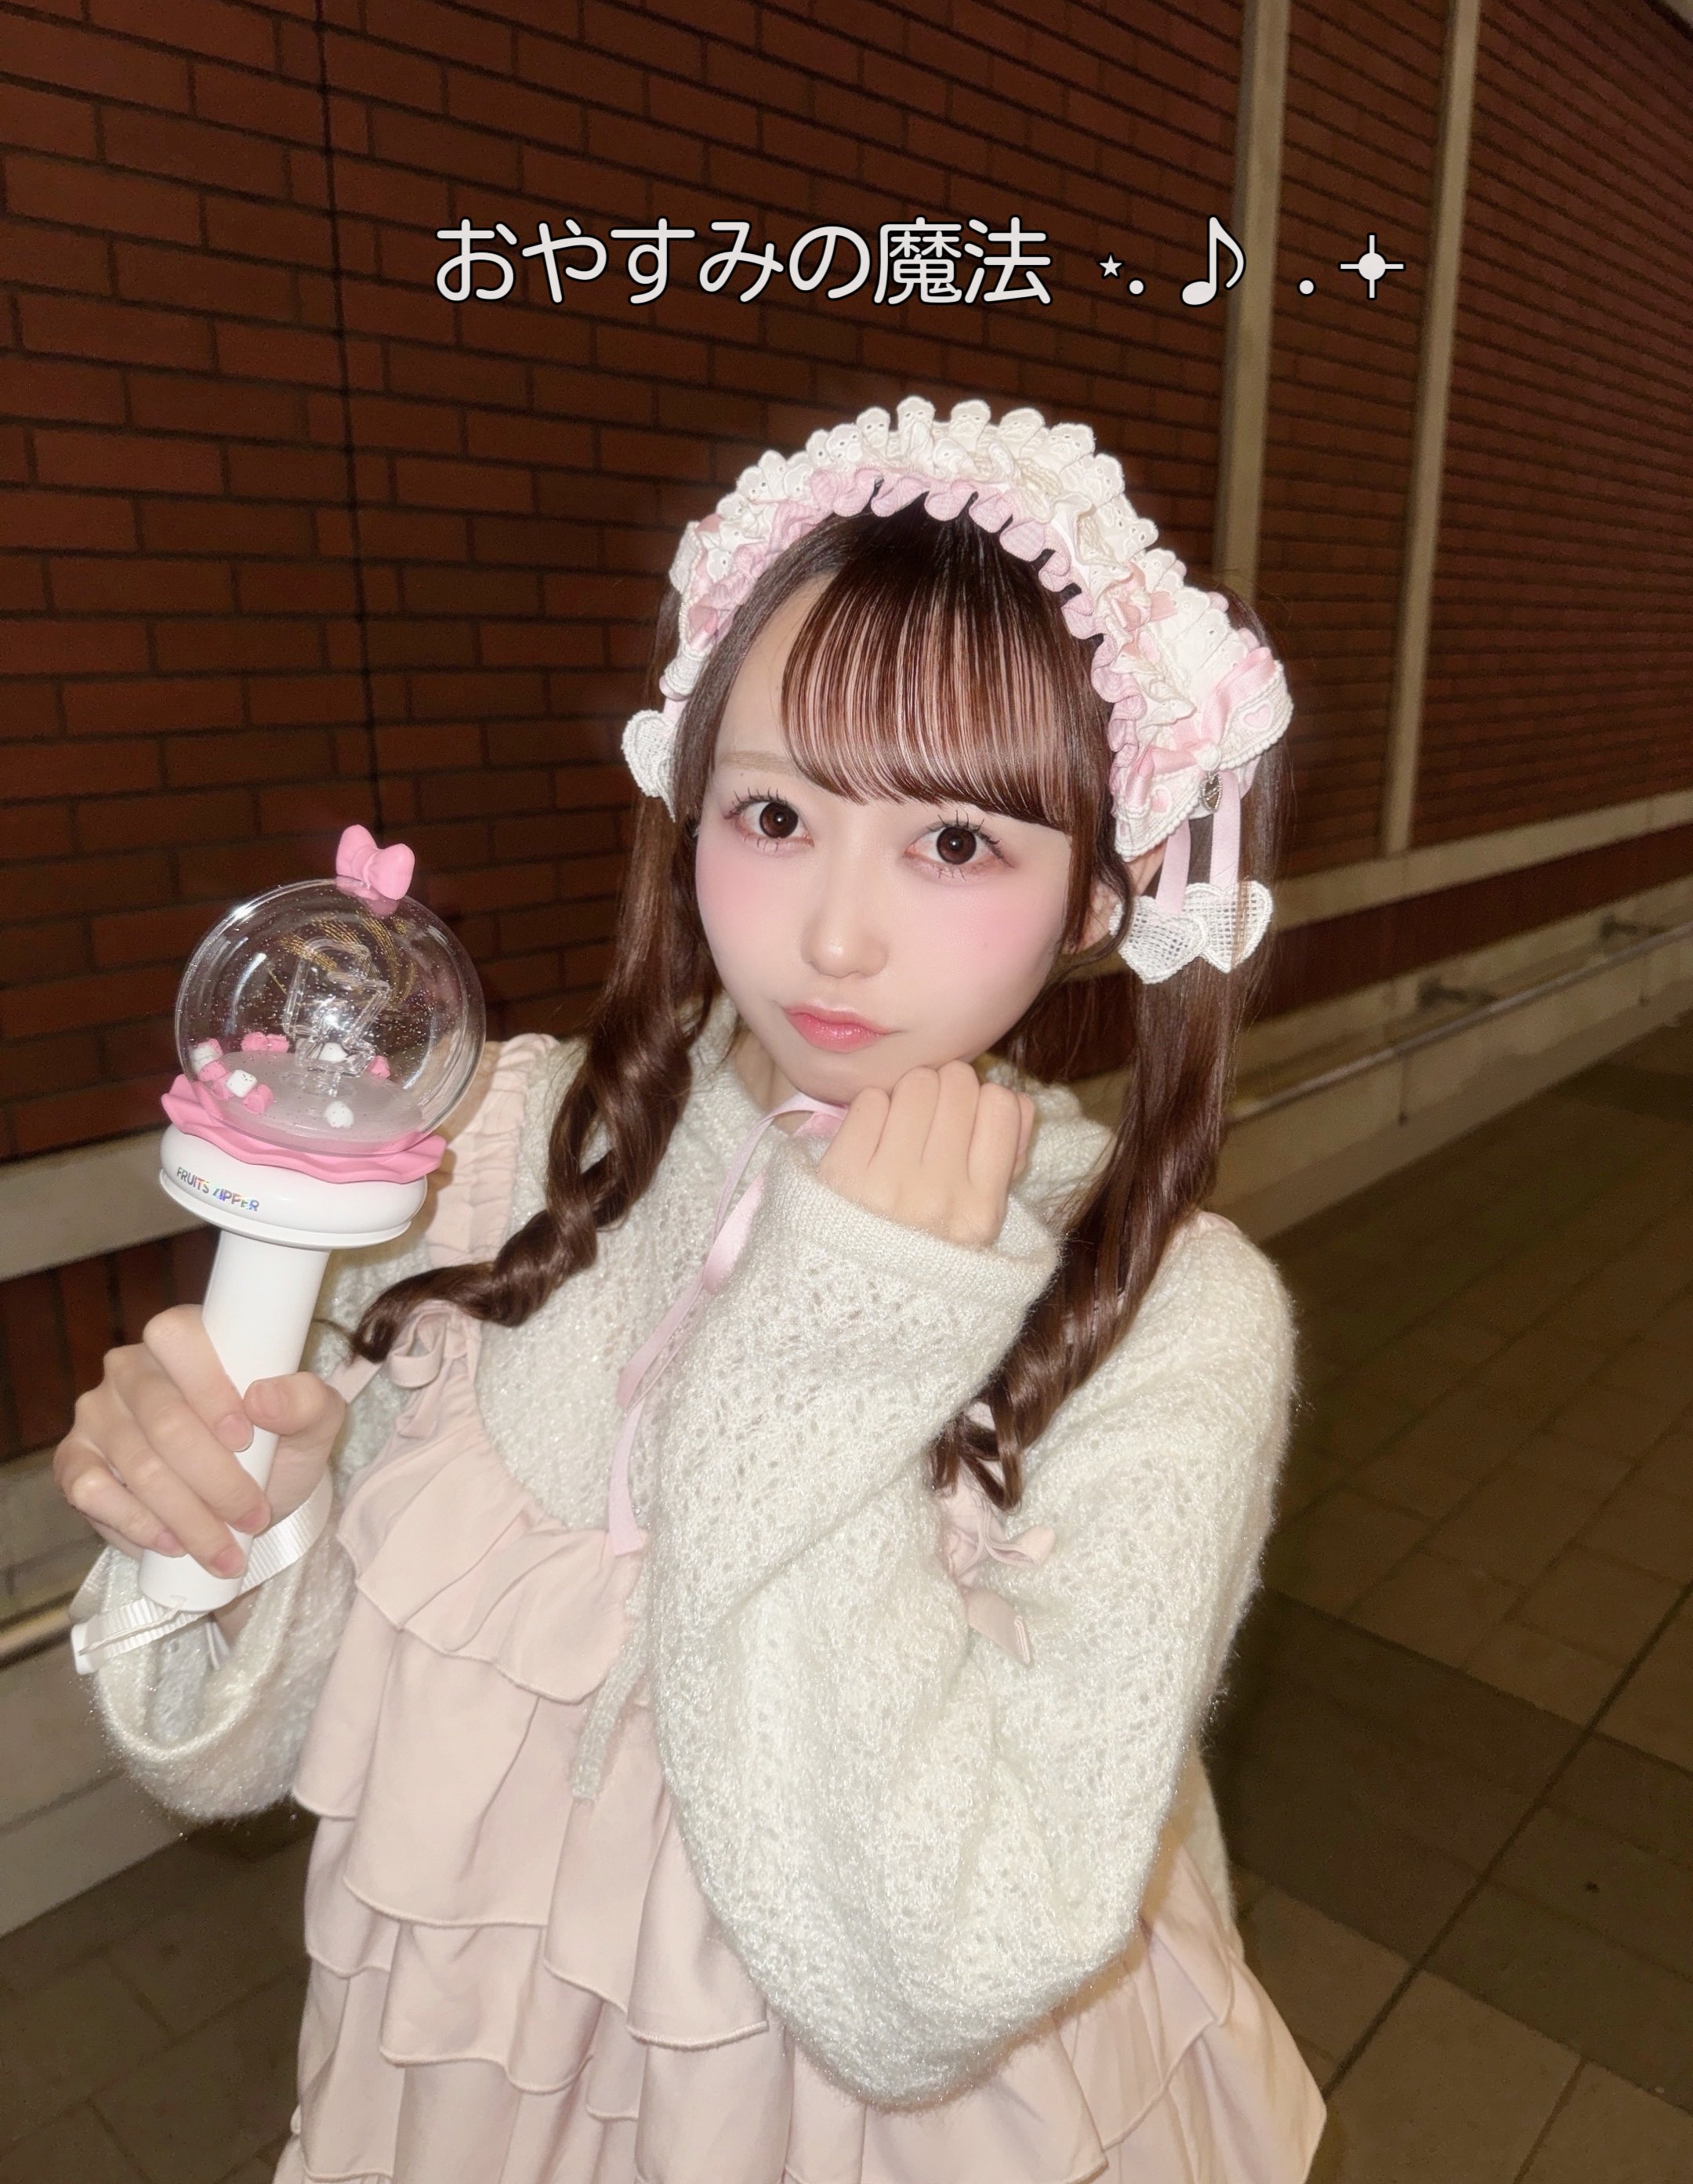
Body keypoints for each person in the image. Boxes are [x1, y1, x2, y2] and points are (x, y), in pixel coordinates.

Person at [58, 397, 1325, 2182]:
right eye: (776, 812)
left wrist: (837, 1348)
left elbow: (923, 1985)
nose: (837, 934)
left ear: (1101, 898)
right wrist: (219, 1524)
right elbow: (224, 1756)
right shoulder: (494, 1153)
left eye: (958, 843)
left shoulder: (1166, 1321)